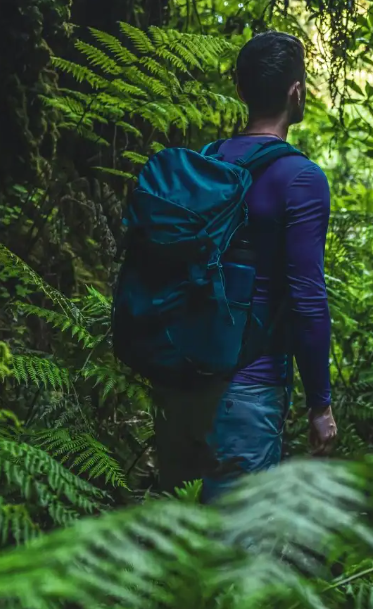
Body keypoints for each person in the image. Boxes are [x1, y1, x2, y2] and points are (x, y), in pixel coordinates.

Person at [151, 30, 337, 502]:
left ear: (240, 91)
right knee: (235, 558)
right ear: (296, 92)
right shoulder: (300, 178)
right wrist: (320, 403)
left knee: (182, 545)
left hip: (179, 385)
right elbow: (308, 300)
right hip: (249, 389)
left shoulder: (204, 164)